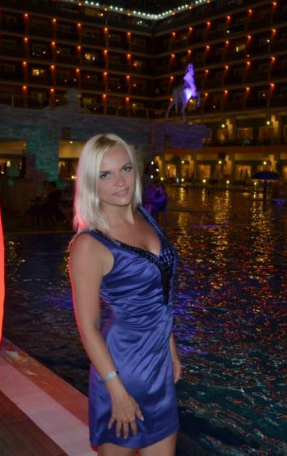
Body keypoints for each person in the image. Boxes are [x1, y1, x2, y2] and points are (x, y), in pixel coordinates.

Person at [69, 133, 181, 454]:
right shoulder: (89, 244)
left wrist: (170, 347)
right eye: (105, 175)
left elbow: (159, 295)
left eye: (126, 169)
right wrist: (116, 392)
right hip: (121, 371)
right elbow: (88, 327)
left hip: (158, 365)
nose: (120, 182)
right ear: (91, 182)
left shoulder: (145, 218)